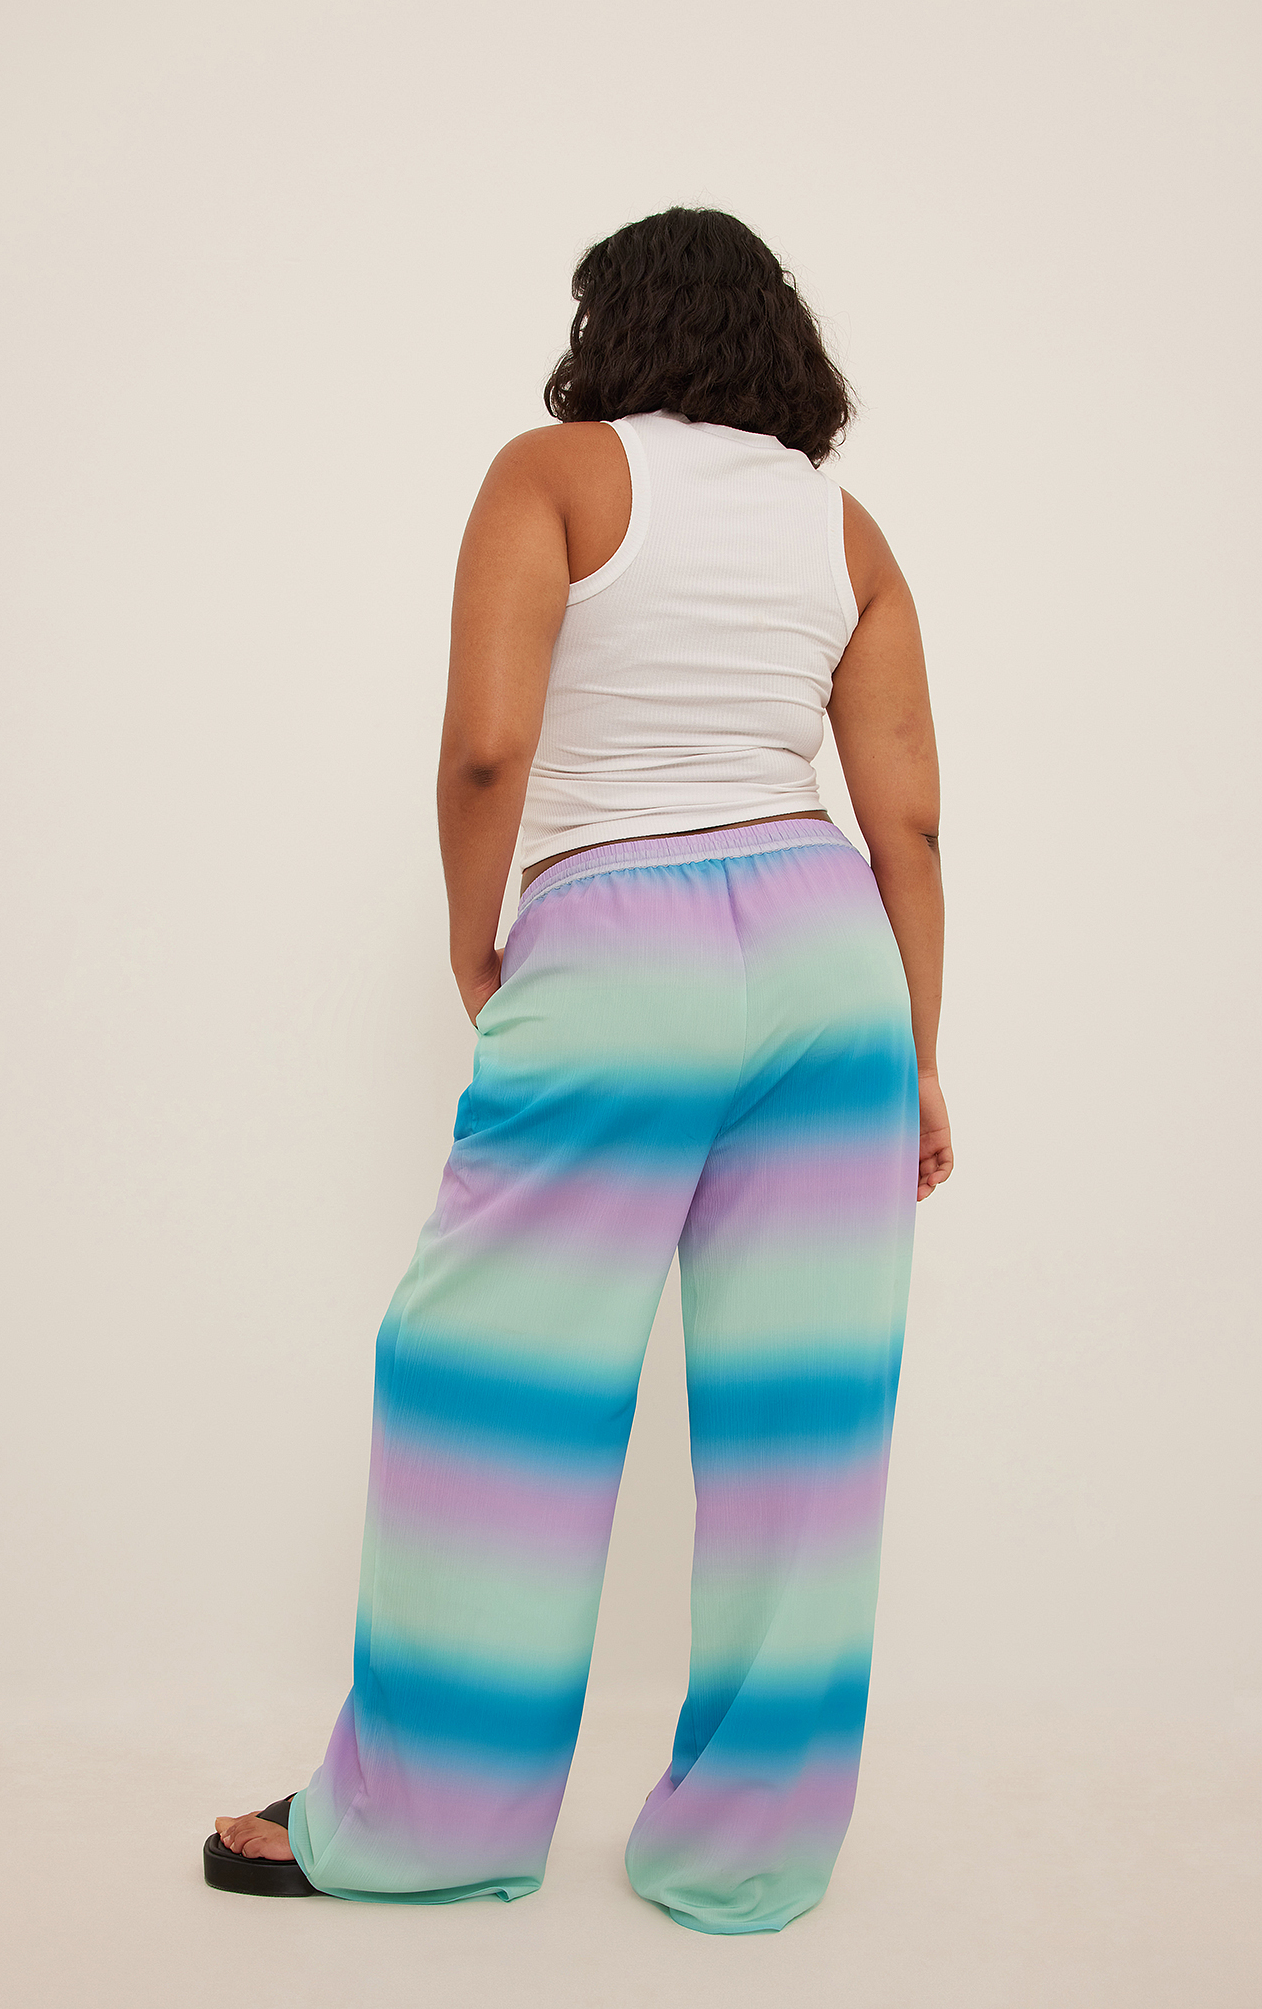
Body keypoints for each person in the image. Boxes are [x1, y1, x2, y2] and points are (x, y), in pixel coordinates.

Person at [204, 204, 952, 1935]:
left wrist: (476, 939)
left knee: (489, 1393)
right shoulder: (844, 529)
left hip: (618, 943)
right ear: (779, 340)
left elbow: (489, 746)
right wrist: (919, 1052)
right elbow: (907, 817)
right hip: (831, 961)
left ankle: (428, 1820)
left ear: (611, 327)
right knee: (805, 1431)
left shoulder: (552, 474)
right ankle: (744, 1854)